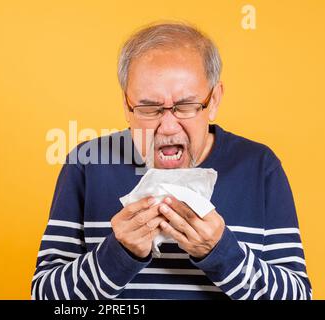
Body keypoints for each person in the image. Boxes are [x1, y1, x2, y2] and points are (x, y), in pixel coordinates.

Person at [32, 22, 312, 299]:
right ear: (126, 106)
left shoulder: (260, 166)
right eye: (149, 108)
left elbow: (298, 296)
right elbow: (45, 296)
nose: (167, 127)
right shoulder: (87, 164)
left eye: (186, 106)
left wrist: (221, 252)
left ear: (213, 100)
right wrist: (117, 254)